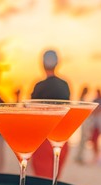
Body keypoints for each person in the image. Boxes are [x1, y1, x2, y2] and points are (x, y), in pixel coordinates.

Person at [30, 49, 70, 178]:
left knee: (43, 181)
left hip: (42, 138)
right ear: (58, 63)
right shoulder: (64, 85)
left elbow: (31, 111)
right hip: (62, 137)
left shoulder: (39, 86)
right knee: (55, 179)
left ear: (42, 64)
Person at [74, 86, 93, 164]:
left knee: (83, 139)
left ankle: (79, 156)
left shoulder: (82, 98)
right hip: (84, 122)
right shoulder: (82, 99)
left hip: (84, 121)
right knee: (83, 139)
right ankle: (79, 157)